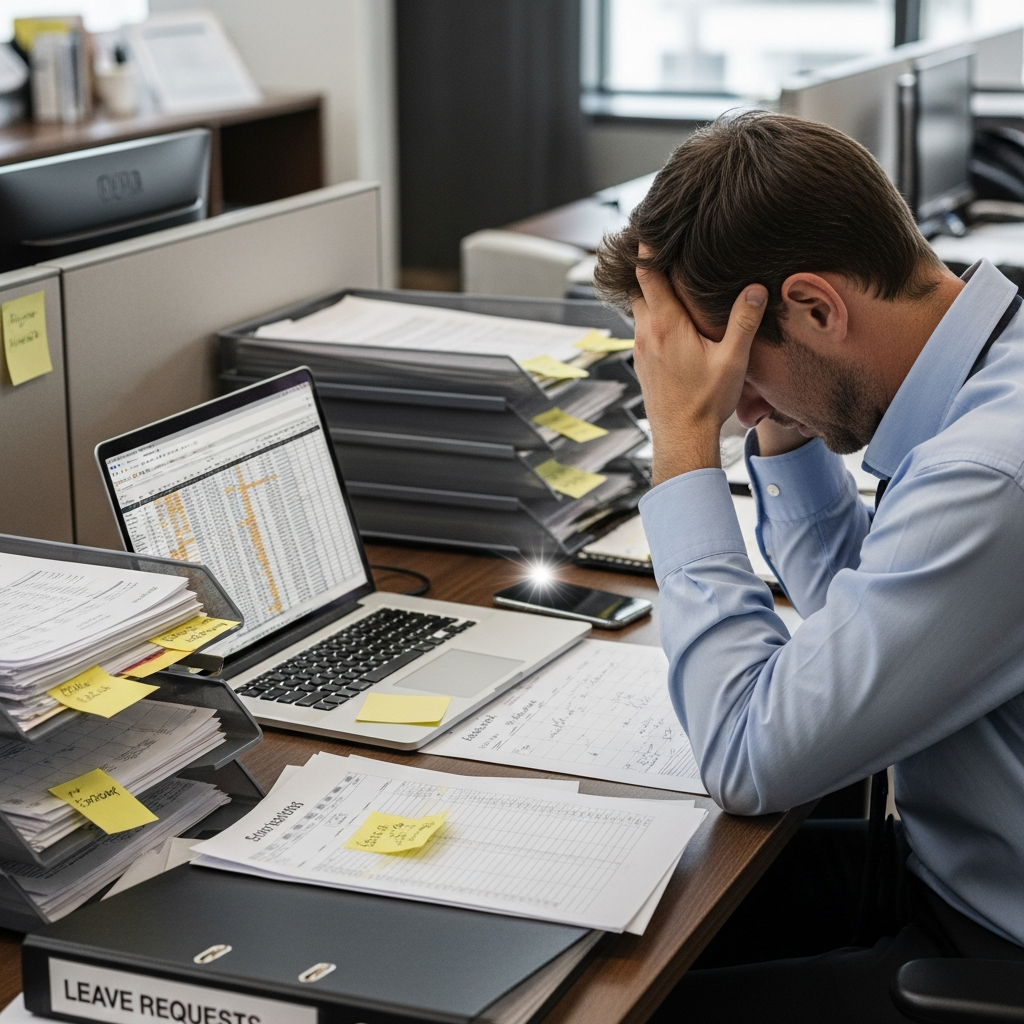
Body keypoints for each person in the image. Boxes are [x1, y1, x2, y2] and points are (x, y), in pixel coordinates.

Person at [594, 110, 1024, 1022]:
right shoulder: (990, 377)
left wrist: (682, 449)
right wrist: (785, 416)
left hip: (991, 946)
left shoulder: (991, 473)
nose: (736, 408)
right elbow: (868, 638)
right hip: (949, 869)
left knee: (612, 1006)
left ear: (817, 307)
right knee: (595, 935)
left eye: (739, 374)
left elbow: (751, 755)